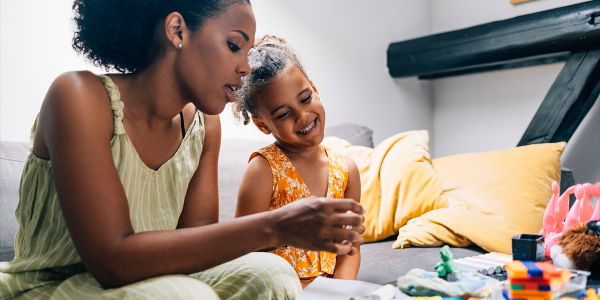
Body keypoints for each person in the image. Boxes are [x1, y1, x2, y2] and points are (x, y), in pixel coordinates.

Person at [0, 1, 365, 299]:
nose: (245, 68)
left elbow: (199, 255)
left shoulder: (204, 126)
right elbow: (111, 262)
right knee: (186, 295)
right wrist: (276, 226)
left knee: (271, 272)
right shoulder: (78, 96)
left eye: (249, 52)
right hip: (50, 288)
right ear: (177, 31)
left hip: (157, 284)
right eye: (235, 45)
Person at [233, 36, 361, 288]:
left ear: (314, 88)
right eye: (282, 114)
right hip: (276, 291)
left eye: (305, 98)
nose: (302, 116)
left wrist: (339, 293)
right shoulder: (262, 169)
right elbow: (242, 248)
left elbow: (350, 247)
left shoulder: (347, 170)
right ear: (262, 125)